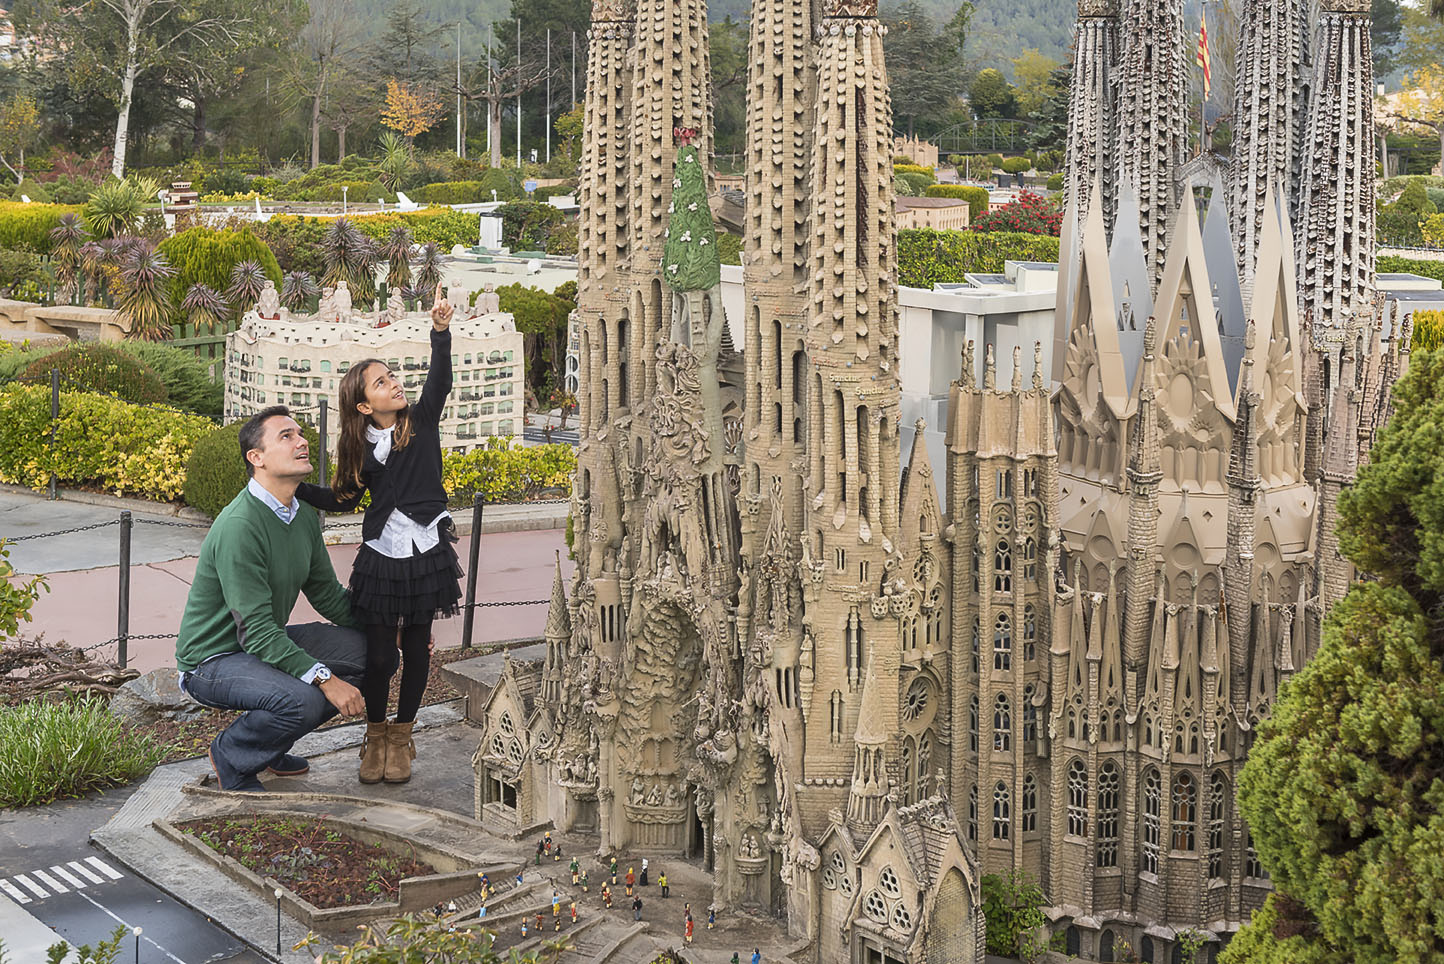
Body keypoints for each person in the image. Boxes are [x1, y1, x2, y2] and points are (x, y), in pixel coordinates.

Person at [296, 284, 459, 786]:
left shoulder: (421, 421)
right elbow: (345, 498)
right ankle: (374, 734)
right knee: (381, 655)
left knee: (417, 649)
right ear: (364, 406)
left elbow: (440, 381)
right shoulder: (359, 446)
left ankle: (402, 737)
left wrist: (440, 331)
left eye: (392, 377)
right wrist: (293, 486)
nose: (394, 385)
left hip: (426, 550)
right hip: (382, 556)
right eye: (381, 383)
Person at [176, 406, 367, 792]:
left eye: (300, 434)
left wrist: (391, 629)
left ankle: (270, 746)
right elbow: (258, 632)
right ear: (256, 458)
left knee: (376, 655)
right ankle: (233, 755)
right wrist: (326, 679)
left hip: (260, 646)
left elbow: (328, 595)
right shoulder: (240, 525)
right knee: (304, 700)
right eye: (286, 436)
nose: (301, 442)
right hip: (212, 660)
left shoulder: (302, 515)